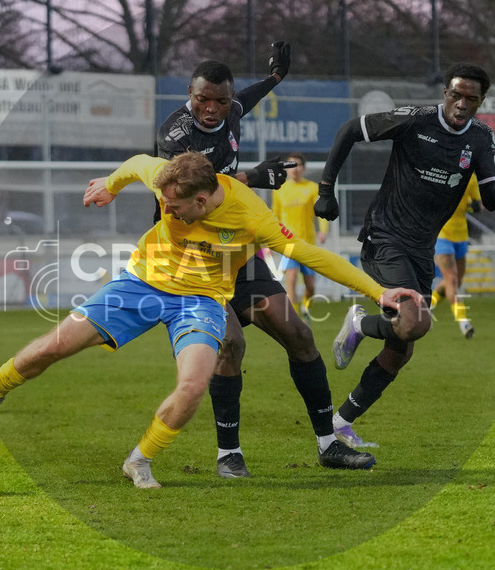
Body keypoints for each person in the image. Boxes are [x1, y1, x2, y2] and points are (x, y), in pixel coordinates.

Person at [0, 152, 420, 489]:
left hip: (202, 300)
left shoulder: (251, 216)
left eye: (173, 207)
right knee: (52, 346)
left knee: (193, 386)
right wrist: (109, 184)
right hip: (140, 285)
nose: (164, 209)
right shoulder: (168, 177)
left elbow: (312, 254)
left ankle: (138, 460)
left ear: (204, 201)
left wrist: (378, 292)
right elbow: (134, 167)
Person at [157, 45, 376, 478]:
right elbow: (193, 192)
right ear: (190, 93)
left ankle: (328, 444)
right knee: (231, 344)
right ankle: (228, 455)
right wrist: (255, 176)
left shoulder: (230, 109)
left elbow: (245, 100)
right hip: (193, 261)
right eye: (204, 99)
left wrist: (275, 80)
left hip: (238, 254)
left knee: (299, 334)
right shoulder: (175, 136)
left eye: (222, 100)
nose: (212, 108)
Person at [312, 62, 495, 448]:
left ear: (480, 101)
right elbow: (349, 131)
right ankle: (358, 326)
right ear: (445, 94)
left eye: (471, 98)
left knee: (401, 349)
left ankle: (340, 423)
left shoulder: (483, 139)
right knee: (415, 322)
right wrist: (326, 189)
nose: (461, 103)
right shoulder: (415, 120)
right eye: (456, 94)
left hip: (422, 250)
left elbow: (491, 199)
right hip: (385, 237)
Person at [271, 152, 328, 323]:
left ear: (304, 168)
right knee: (291, 279)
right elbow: (276, 216)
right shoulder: (279, 190)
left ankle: (305, 304)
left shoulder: (312, 188)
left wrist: (323, 230)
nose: (294, 169)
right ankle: (295, 318)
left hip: (308, 243)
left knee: (310, 286)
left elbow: (321, 213)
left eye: (297, 165)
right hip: (288, 244)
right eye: (290, 166)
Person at [431, 174, 482, 338]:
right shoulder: (439, 172)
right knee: (452, 279)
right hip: (441, 234)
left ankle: (426, 308)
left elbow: (480, 205)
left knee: (452, 282)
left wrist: (475, 206)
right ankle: (463, 322)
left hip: (461, 236)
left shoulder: (471, 177)